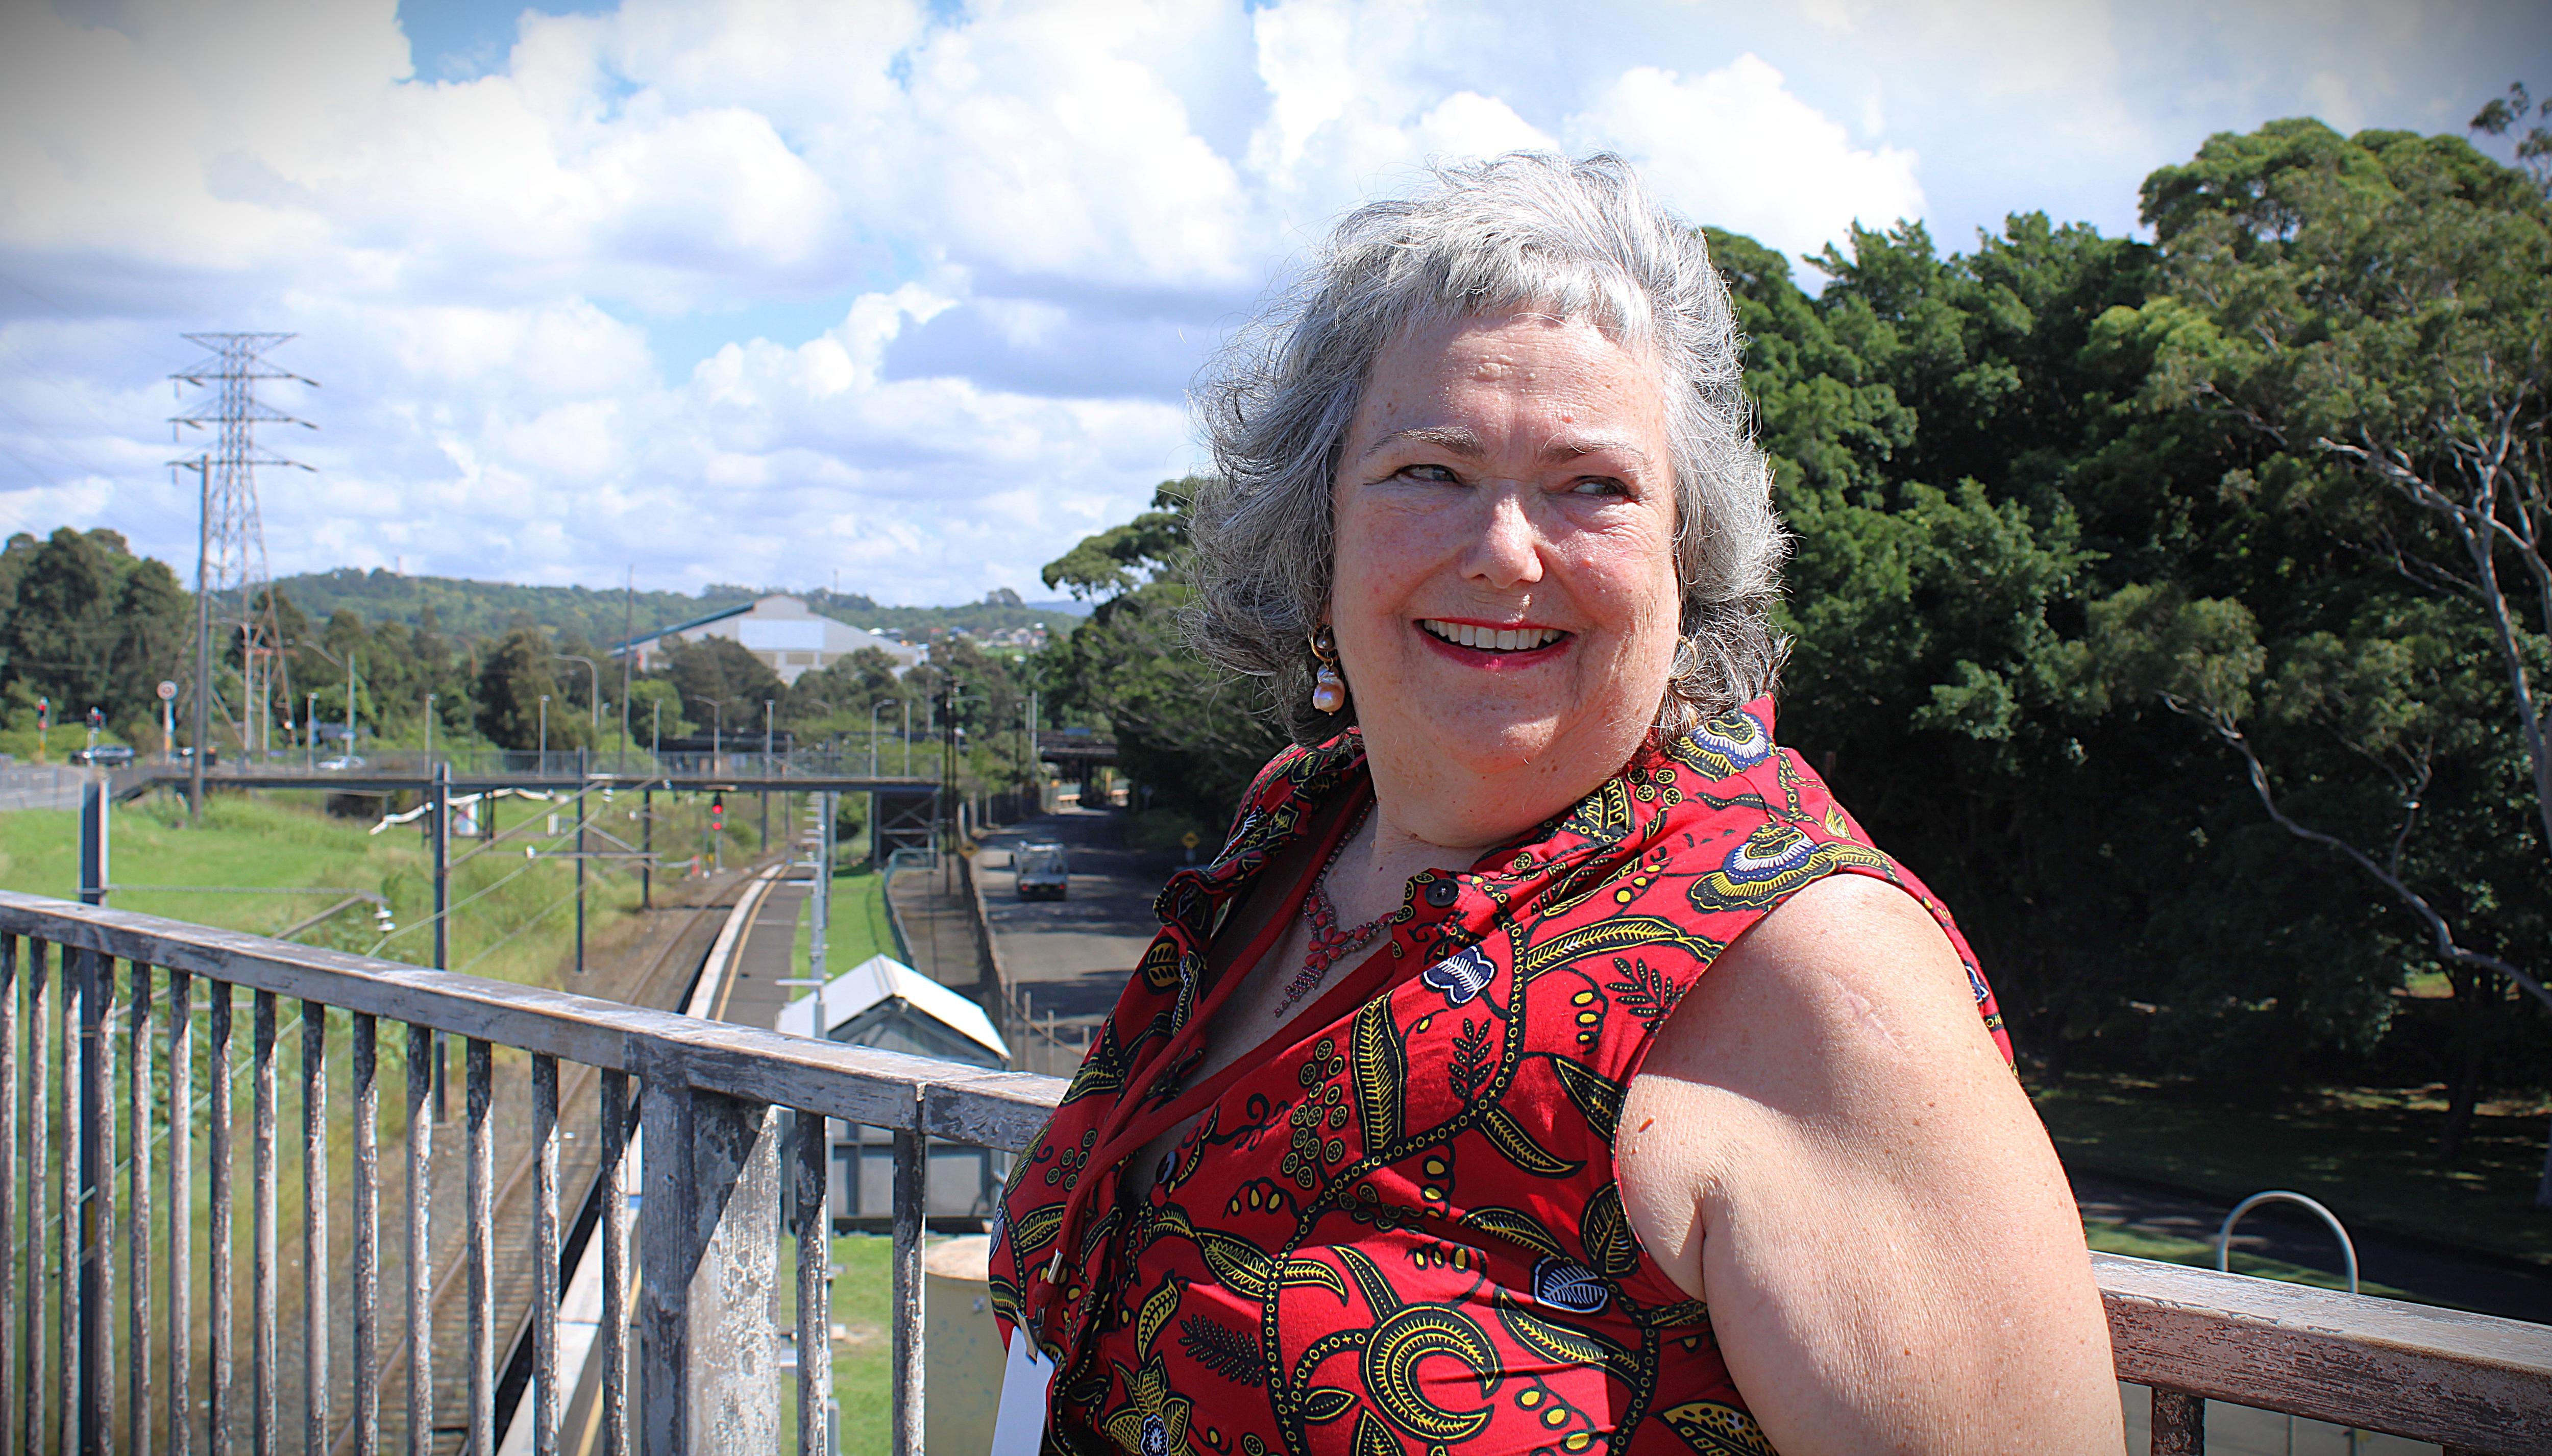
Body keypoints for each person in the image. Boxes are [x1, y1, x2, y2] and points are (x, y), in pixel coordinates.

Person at [989, 153, 2121, 1455]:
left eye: (1592, 483)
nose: (1506, 550)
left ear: (1684, 560)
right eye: (1430, 470)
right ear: (1320, 534)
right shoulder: (1297, 826)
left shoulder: (1816, 979)